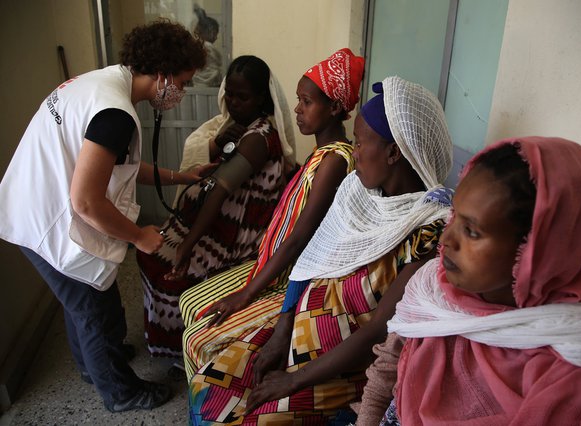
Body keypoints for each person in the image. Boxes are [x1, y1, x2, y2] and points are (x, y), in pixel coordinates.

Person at [187, 76, 454, 424]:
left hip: (343, 366)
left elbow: (378, 332)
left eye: (359, 143)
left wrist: (293, 380)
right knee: (207, 387)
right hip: (296, 330)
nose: (353, 152)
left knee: (254, 420)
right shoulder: (356, 193)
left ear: (393, 153)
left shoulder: (429, 229)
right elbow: (311, 260)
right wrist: (282, 328)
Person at [0, 20, 206, 412]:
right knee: (95, 308)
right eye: (183, 82)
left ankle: (89, 367)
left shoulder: (104, 83)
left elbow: (121, 165)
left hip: (32, 201)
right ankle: (120, 393)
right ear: (162, 75)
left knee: (86, 300)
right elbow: (87, 203)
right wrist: (138, 236)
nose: (182, 92)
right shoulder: (115, 113)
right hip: (47, 216)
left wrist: (179, 176)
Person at [361, 137, 581, 425]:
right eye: (454, 215)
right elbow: (385, 374)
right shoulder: (434, 291)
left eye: (472, 231)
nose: (446, 238)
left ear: (543, 249)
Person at [179, 47, 365, 379]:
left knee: (199, 335)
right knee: (190, 302)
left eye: (307, 102)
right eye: (298, 99)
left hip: (291, 276)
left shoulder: (335, 161)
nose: (297, 109)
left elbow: (298, 241)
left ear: (335, 108)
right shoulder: (321, 155)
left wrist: (247, 294)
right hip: (275, 261)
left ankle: (226, 391)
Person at [137, 55, 297, 357]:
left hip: (235, 238)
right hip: (221, 225)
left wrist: (188, 244)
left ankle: (175, 347)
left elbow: (220, 192)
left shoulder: (258, 138)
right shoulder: (240, 128)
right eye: (231, 95)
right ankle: (166, 338)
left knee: (165, 266)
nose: (234, 103)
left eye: (243, 97)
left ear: (263, 97)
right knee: (152, 255)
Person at [192, 4, 223, 87]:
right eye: (216, 34)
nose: (216, 37)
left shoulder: (198, 47)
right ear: (212, 32)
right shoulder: (207, 47)